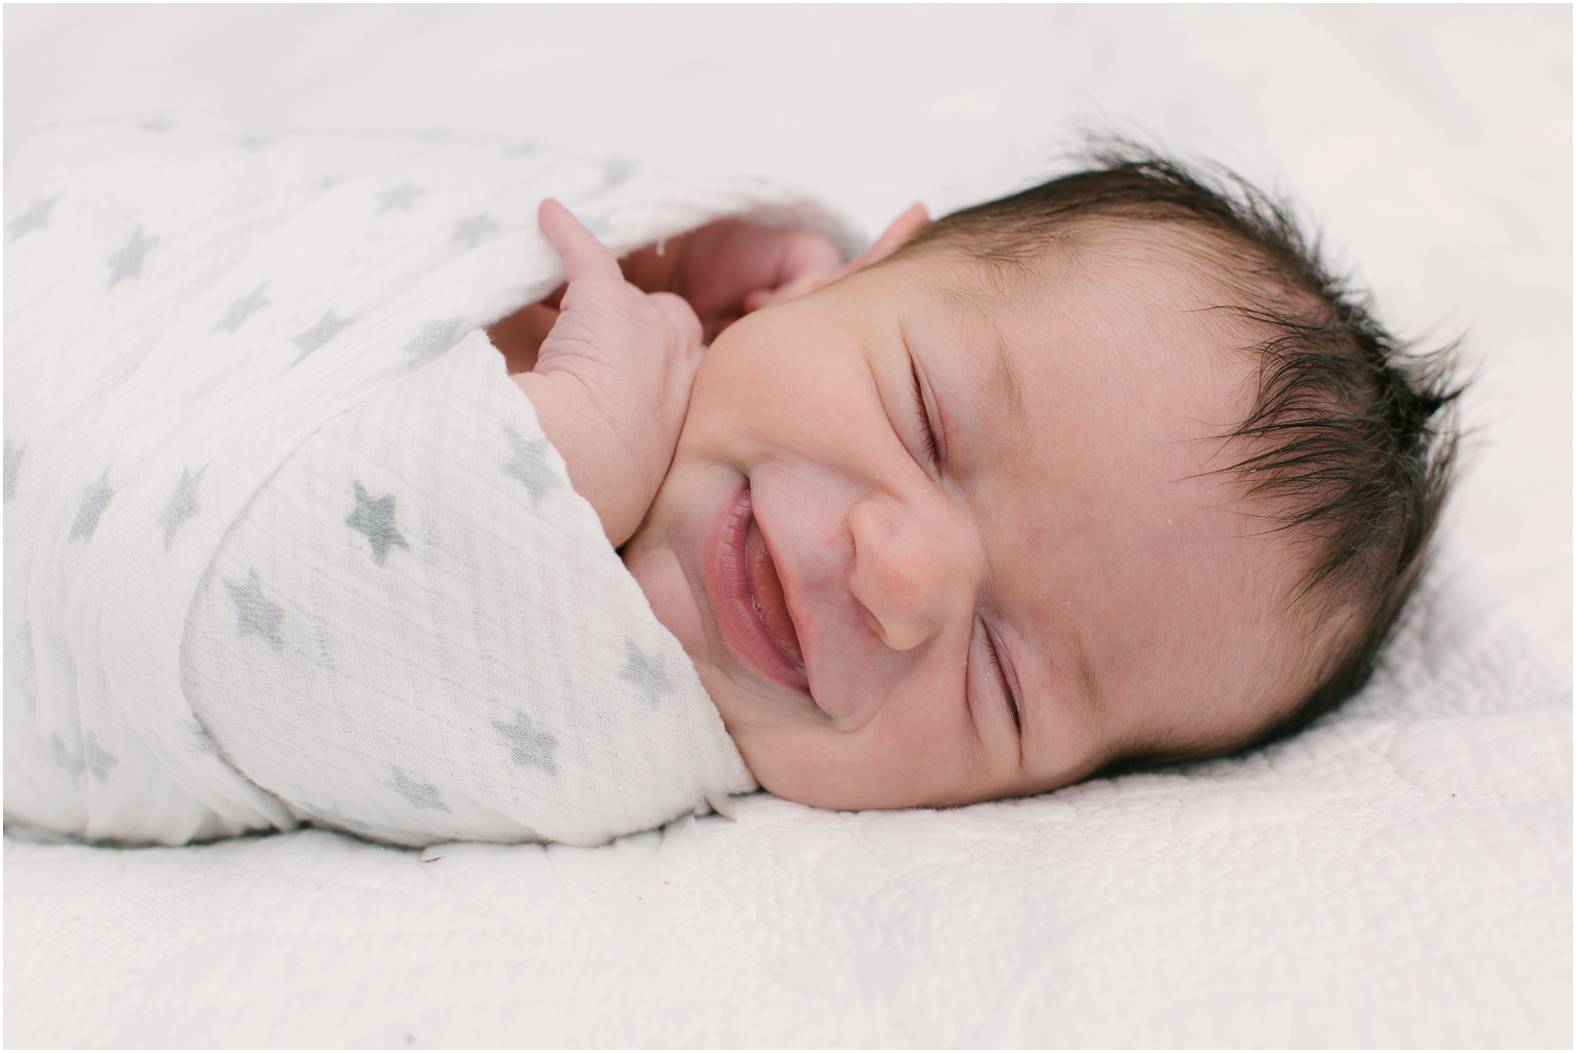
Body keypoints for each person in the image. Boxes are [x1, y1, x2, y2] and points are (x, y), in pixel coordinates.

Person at [492, 141, 1466, 812]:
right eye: (924, 420)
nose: (900, 581)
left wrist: (531, 468)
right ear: (835, 275)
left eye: (1002, 683)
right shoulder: (560, 288)